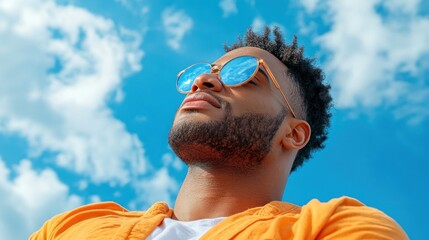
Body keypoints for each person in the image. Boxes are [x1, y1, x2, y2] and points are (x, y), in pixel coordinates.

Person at [30, 27, 408, 239]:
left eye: (244, 75)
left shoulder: (334, 227)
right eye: (207, 71)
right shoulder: (73, 226)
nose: (204, 81)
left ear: (293, 133)